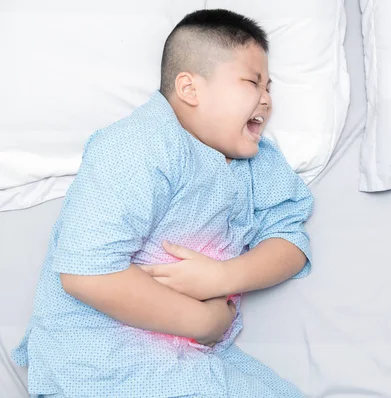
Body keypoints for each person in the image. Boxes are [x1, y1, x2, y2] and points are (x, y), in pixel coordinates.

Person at [12, 9, 312, 398]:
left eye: (270, 87)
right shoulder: (140, 145)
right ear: (190, 89)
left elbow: (290, 242)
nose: (267, 100)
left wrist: (226, 277)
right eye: (253, 83)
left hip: (187, 360)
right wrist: (203, 320)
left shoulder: (258, 163)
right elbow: (86, 272)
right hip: (99, 358)